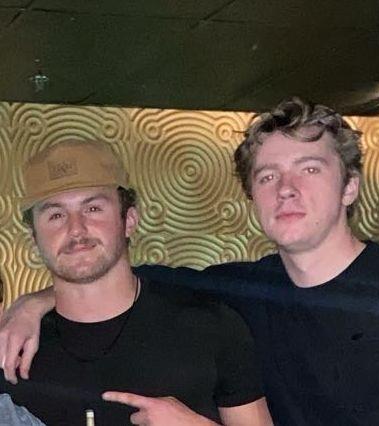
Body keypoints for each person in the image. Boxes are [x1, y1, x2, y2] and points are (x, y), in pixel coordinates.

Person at [2, 98, 379, 425]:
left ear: (350, 186)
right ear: (252, 195)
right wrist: (33, 303)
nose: (286, 188)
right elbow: (104, 270)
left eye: (310, 169)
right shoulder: (242, 291)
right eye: (267, 176)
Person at [0, 139, 272, 426]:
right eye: (56, 215)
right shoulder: (10, 349)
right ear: (33, 238)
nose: (76, 229)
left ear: (129, 220)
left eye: (93, 209)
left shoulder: (210, 326)